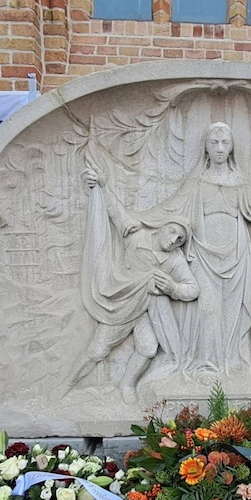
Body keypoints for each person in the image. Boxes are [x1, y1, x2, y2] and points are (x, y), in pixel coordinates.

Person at [157, 121, 251, 378]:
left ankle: (232, 364)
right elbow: (169, 209)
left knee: (233, 313)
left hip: (236, 257)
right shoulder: (197, 181)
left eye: (225, 143)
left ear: (231, 147)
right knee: (207, 309)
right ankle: (205, 366)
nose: (220, 148)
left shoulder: (239, 181)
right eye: (214, 143)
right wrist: (129, 219)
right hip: (203, 255)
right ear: (206, 147)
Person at [69, 166, 200, 403]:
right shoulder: (136, 235)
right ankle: (67, 385)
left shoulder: (175, 260)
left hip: (145, 310)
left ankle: (127, 384)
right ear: (162, 226)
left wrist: (172, 288)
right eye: (172, 231)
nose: (173, 239)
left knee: (148, 348)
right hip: (120, 304)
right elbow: (116, 212)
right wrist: (101, 185)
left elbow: (192, 289)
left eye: (180, 239)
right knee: (98, 350)